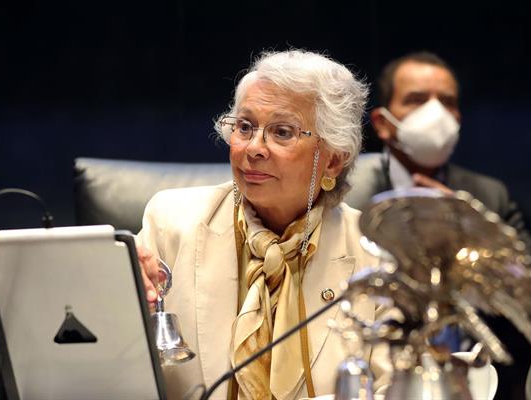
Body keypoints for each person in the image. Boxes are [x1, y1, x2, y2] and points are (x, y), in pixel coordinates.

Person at [136, 50, 391, 400]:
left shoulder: (376, 257)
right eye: (244, 127)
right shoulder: (170, 224)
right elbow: (116, 359)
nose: (253, 148)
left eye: (282, 132)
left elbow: (394, 387)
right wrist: (117, 289)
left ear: (332, 160)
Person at [346, 50, 531, 400]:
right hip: (380, 379)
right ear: (383, 123)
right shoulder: (352, 201)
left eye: (447, 102)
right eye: (416, 100)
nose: (436, 114)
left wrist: (474, 231)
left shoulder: (489, 195)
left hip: (483, 382)